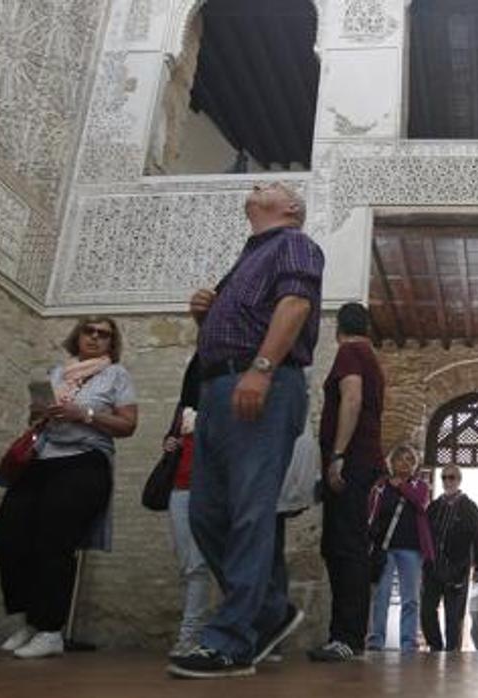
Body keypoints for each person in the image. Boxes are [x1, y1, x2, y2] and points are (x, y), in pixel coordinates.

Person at [171, 182, 324, 679]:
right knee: (207, 513)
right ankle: (269, 612)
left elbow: (295, 306)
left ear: (290, 208)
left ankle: (232, 642)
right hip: (218, 389)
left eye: (271, 185)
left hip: (261, 382)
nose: (259, 184)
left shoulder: (294, 243)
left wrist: (260, 368)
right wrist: (207, 316)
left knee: (250, 513)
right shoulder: (246, 257)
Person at [0, 317, 138, 659]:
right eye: (90, 331)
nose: (96, 338)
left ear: (111, 343)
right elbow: (36, 417)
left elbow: (128, 424)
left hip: (84, 461)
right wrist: (41, 413)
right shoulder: (59, 372)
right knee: (7, 536)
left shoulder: (116, 375)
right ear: (78, 335)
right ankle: (32, 618)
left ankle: (50, 630)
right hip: (41, 458)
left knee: (54, 542)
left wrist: (83, 413)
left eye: (105, 335)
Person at [308, 303, 386, 662]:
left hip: (352, 462)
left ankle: (346, 636)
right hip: (361, 461)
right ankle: (346, 636)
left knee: (345, 548)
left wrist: (338, 454)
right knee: (344, 546)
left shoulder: (350, 351)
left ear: (338, 327)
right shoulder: (368, 354)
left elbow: (350, 399)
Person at [159, 355, 212, 658]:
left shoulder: (228, 404)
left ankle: (190, 637)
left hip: (210, 488)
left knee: (199, 565)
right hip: (180, 486)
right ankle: (192, 636)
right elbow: (172, 435)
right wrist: (170, 442)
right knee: (187, 565)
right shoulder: (185, 407)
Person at [366, 445, 433, 652]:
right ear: (391, 463)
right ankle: (376, 640)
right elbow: (372, 514)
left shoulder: (420, 486)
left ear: (415, 466)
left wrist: (401, 486)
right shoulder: (381, 487)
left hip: (411, 549)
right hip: (386, 548)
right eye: (400, 459)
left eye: (409, 460)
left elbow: (420, 502)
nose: (404, 463)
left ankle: (408, 643)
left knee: (410, 598)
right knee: (381, 596)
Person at [422, 465, 478, 652]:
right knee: (427, 611)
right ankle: (435, 646)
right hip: (433, 567)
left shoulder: (469, 507)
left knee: (454, 615)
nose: (447, 481)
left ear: (459, 480)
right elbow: (424, 534)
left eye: (451, 477)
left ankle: (452, 653)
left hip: (457, 568)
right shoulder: (434, 507)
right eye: (444, 477)